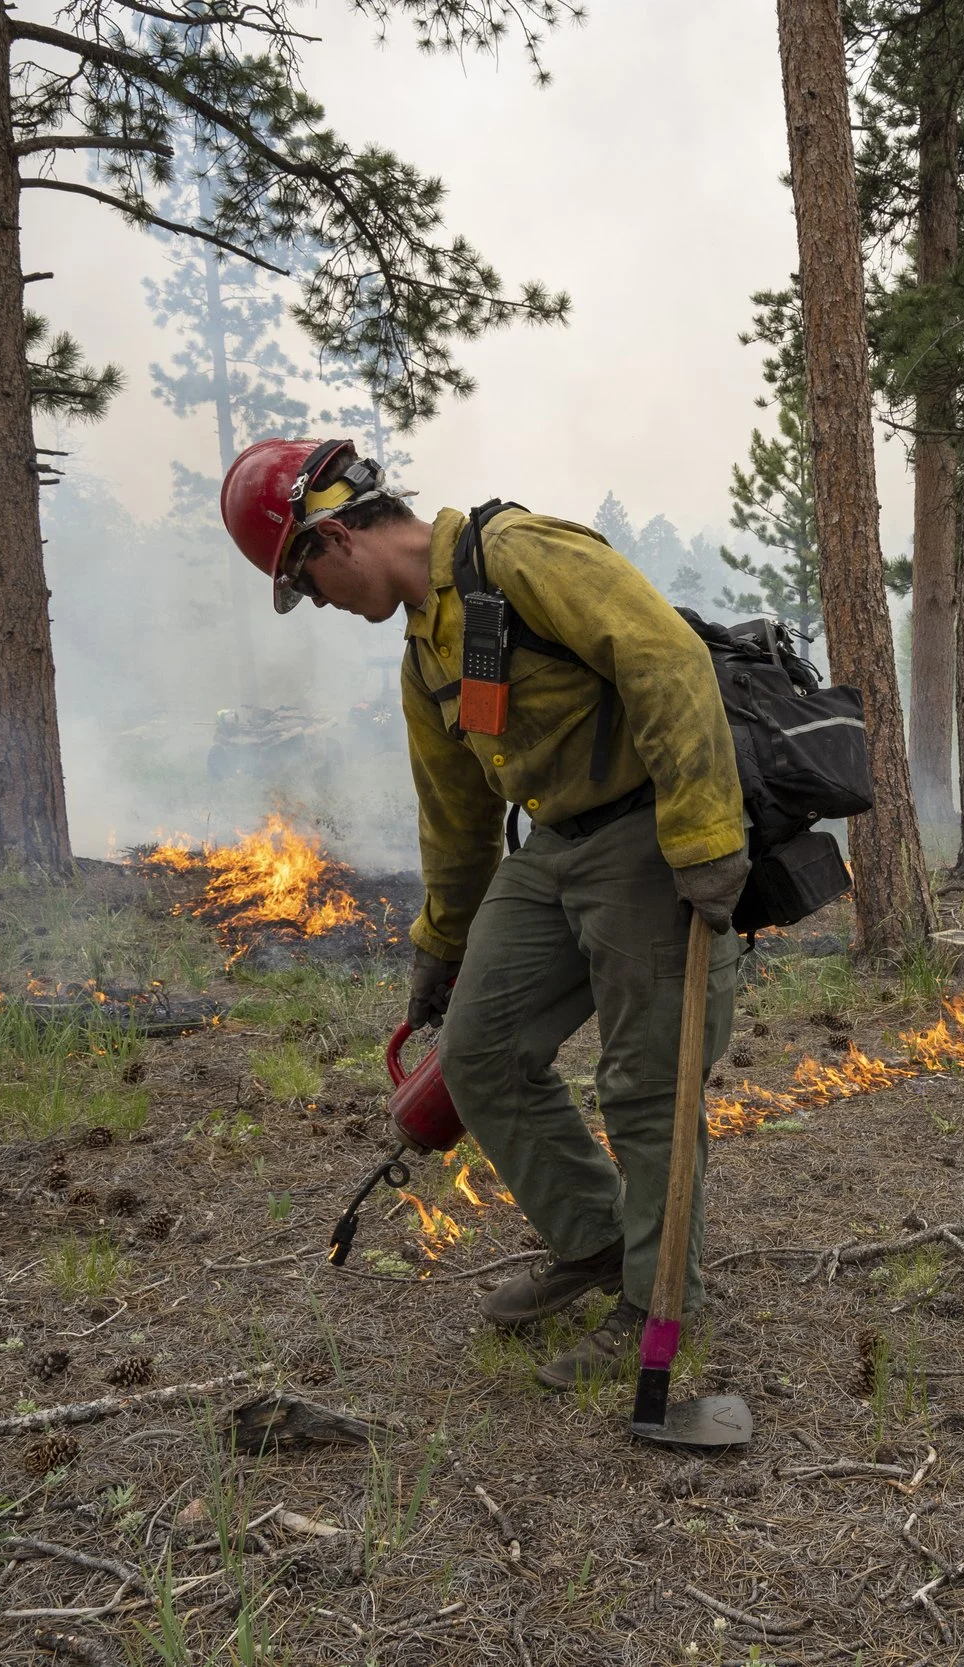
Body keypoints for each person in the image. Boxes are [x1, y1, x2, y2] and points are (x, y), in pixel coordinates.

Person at [220, 437, 749, 1390]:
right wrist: (441, 948)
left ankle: (657, 1305)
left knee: (644, 1081)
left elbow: (668, 660)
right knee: (477, 1050)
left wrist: (708, 837)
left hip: (648, 830)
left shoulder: (518, 554)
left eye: (309, 584)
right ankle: (593, 1239)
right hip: (555, 848)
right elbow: (456, 819)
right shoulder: (425, 659)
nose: (323, 607)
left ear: (333, 538)